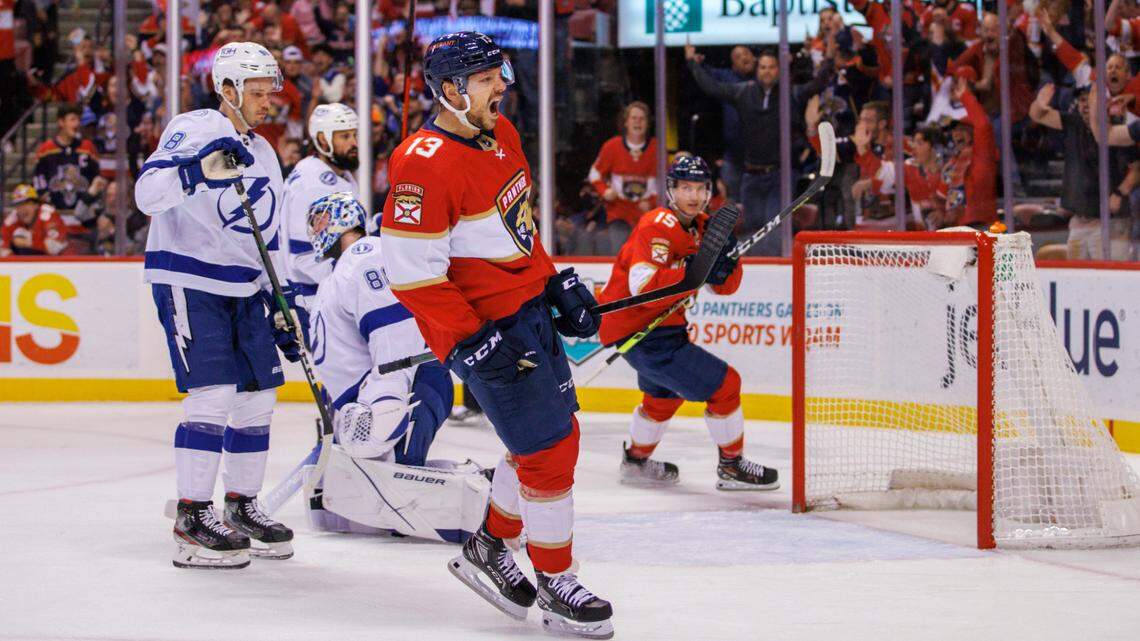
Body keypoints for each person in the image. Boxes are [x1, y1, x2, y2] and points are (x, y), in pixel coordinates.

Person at [380, 31, 614, 638]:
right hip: (485, 331)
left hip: (527, 313)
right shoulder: (419, 167)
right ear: (451, 90)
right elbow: (411, 276)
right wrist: (471, 340)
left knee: (547, 438)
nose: (500, 87)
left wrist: (553, 282)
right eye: (486, 79)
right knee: (549, 452)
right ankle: (555, 579)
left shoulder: (502, 135)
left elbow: (518, 230)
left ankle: (489, 545)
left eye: (499, 75)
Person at [135, 42, 299, 570]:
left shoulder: (267, 153)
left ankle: (241, 505)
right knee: (213, 396)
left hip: (247, 287)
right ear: (226, 90)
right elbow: (146, 193)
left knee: (258, 396)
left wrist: (284, 300)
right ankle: (191, 515)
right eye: (255, 92)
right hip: (190, 277)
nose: (266, 101)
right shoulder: (197, 126)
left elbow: (270, 234)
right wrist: (194, 173)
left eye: (268, 91)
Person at [303, 192, 486, 541]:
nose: (315, 230)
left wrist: (385, 402)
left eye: (321, 220)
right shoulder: (338, 274)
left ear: (342, 221)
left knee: (396, 490)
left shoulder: (364, 255)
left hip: (410, 388)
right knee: (334, 504)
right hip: (374, 399)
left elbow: (394, 336)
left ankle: (488, 500)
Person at [595, 155, 779, 491]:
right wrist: (693, 270)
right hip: (641, 332)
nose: (692, 196)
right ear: (670, 190)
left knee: (663, 396)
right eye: (684, 188)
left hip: (660, 330)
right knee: (726, 385)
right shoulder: (657, 225)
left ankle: (636, 462)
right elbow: (642, 286)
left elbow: (725, 287)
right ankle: (732, 465)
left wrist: (727, 261)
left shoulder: (707, 228)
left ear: (708, 192)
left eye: (699, 188)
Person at [686, 43, 787, 254]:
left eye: (747, 53)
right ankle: (750, 262)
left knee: (772, 221)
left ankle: (771, 264)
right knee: (746, 219)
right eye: (738, 56)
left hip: (771, 165)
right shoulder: (738, 87)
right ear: (732, 63)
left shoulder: (780, 90)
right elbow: (710, 85)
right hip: (737, 158)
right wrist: (693, 63)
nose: (744, 58)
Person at [281, 102, 360, 343]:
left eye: (354, 135)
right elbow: (304, 255)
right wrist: (351, 281)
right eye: (344, 136)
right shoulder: (314, 184)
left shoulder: (336, 176)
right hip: (315, 301)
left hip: (330, 297)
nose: (354, 143)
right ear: (323, 141)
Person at [587, 101, 658, 253]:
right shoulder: (612, 146)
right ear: (626, 122)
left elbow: (666, 183)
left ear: (648, 123)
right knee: (620, 255)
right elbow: (595, 173)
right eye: (634, 118)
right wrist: (605, 191)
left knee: (646, 256)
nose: (638, 122)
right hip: (619, 213)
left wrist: (652, 202)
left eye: (642, 118)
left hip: (648, 216)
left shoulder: (656, 149)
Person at [0, 185, 69, 256]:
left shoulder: (48, 215)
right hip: (32, 263)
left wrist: (28, 242)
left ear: (36, 205)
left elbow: (54, 248)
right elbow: (2, 250)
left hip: (65, 261)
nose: (21, 208)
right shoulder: (13, 219)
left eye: (26, 203)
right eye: (18, 205)